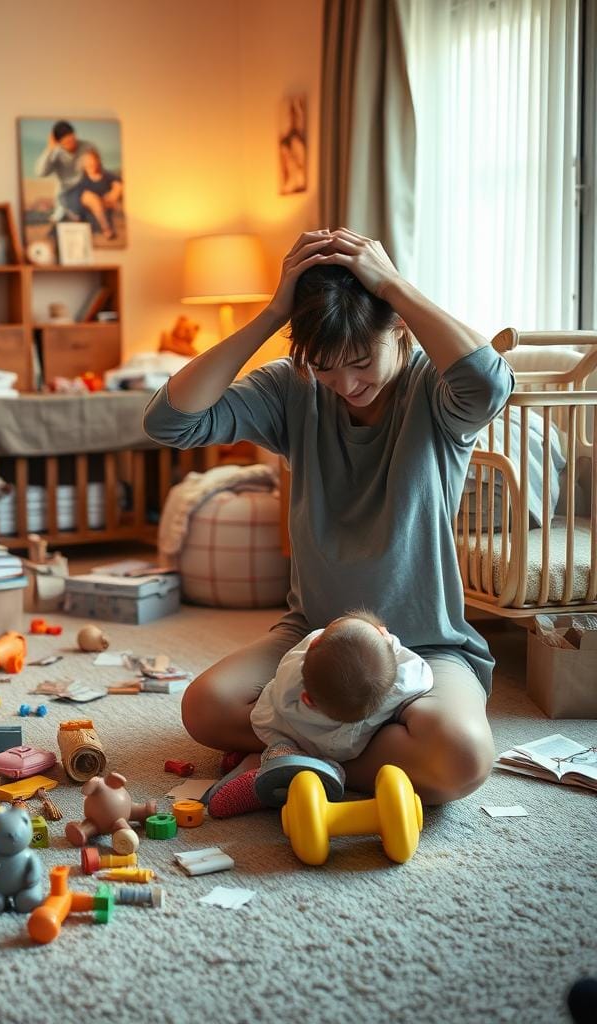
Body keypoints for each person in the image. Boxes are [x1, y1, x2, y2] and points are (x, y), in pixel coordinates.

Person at [142, 227, 514, 812]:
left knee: (462, 759)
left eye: (362, 362)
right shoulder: (294, 389)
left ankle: (296, 754)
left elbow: (490, 382)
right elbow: (170, 422)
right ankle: (341, 754)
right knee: (204, 706)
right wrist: (273, 314)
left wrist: (392, 284)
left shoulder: (436, 393)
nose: (346, 385)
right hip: (310, 643)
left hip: (426, 647)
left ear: (399, 328)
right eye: (326, 367)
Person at [226, 609, 434, 815]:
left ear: (307, 699)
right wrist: (390, 645)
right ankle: (326, 772)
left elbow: (292, 664)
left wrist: (319, 637)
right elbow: (422, 673)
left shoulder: (294, 680)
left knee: (278, 737)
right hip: (340, 750)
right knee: (332, 763)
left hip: (286, 732)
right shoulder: (394, 689)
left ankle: (270, 763)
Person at [34, 120, 96, 224]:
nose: (71, 144)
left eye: (72, 139)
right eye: (66, 143)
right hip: (64, 193)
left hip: (85, 189)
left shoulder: (87, 147)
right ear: (59, 142)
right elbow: (41, 173)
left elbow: (97, 168)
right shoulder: (56, 152)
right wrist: (49, 149)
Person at [74, 149, 123, 240]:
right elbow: (80, 197)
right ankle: (106, 228)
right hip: (90, 204)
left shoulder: (106, 175)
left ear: (97, 161)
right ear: (83, 164)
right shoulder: (81, 179)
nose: (90, 163)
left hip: (106, 202)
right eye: (87, 161)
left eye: (92, 160)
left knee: (112, 194)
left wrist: (113, 194)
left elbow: (118, 184)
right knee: (90, 197)